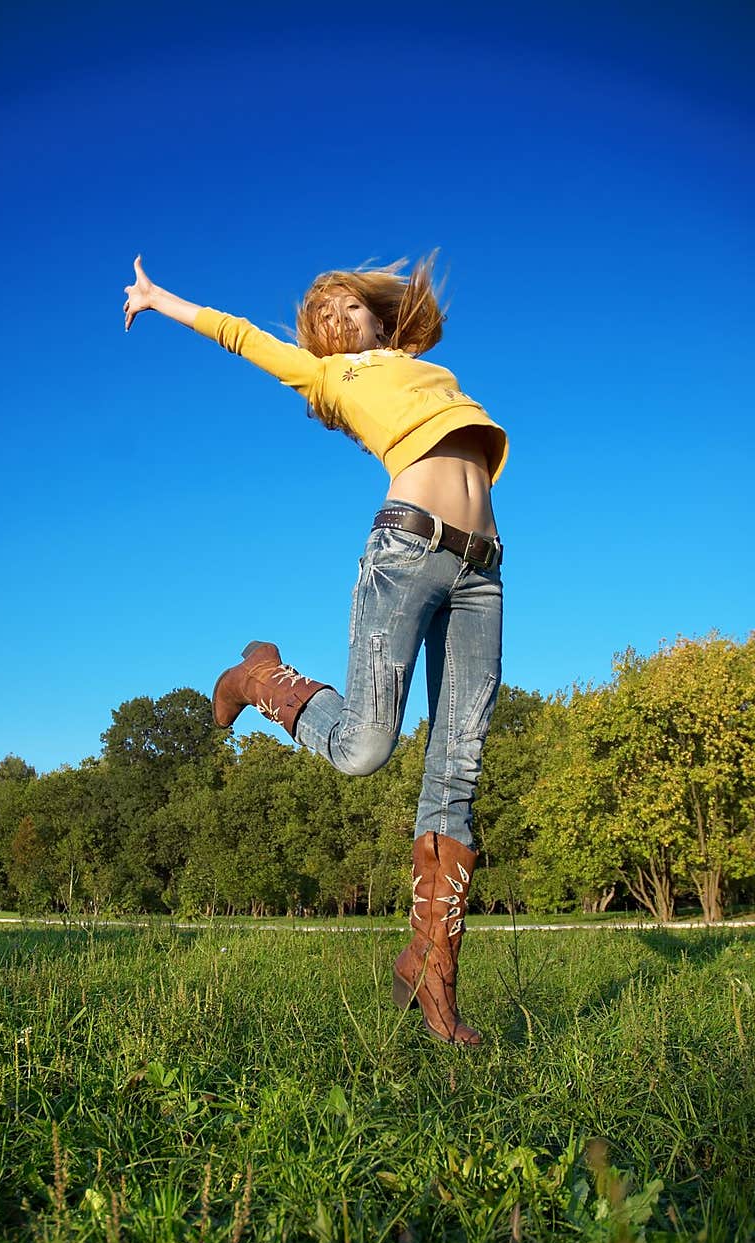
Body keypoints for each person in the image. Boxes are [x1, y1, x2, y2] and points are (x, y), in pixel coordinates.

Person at [123, 251, 508, 1046]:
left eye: (346, 302)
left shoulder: (410, 361)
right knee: (367, 747)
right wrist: (160, 298)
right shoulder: (330, 377)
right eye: (322, 313)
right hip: (404, 555)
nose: (336, 314)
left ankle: (432, 972)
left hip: (483, 568)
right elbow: (237, 334)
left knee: (459, 768)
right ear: (319, 341)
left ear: (374, 311)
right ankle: (263, 679)